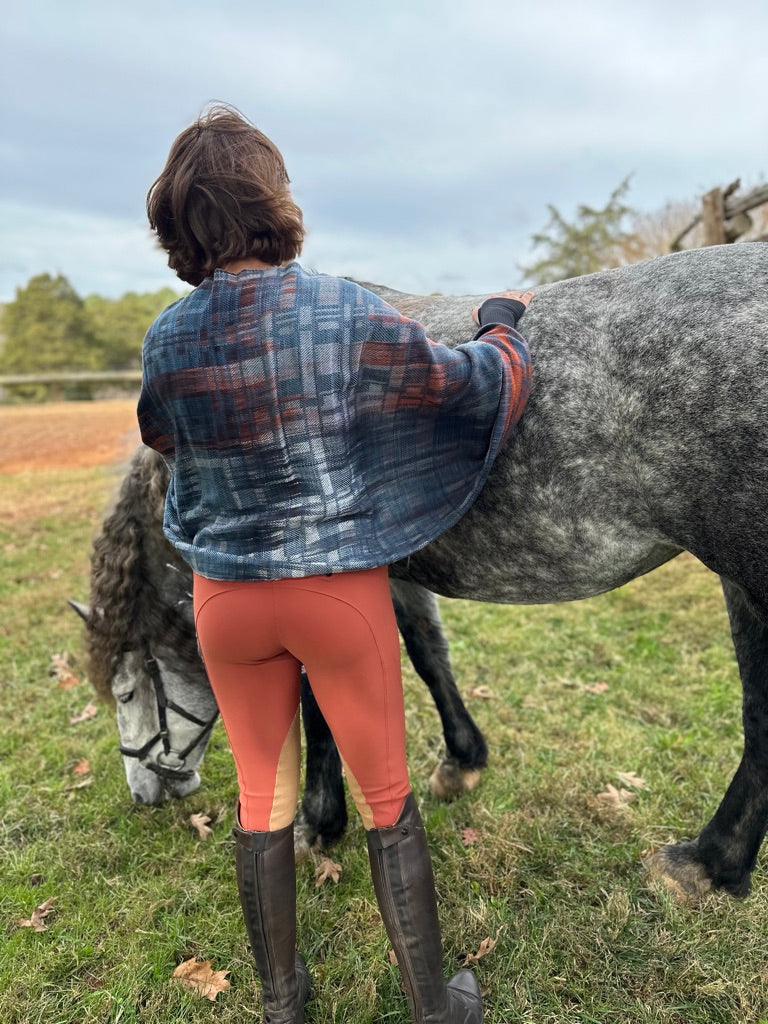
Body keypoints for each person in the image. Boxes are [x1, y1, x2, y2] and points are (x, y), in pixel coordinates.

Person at [138, 105, 532, 1024]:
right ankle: (434, 1007)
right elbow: (463, 386)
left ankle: (284, 1004)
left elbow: (163, 437)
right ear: (272, 198)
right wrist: (503, 327)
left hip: (226, 604)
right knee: (388, 795)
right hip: (335, 597)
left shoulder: (165, 337)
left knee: (260, 800)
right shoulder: (345, 309)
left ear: (178, 221)